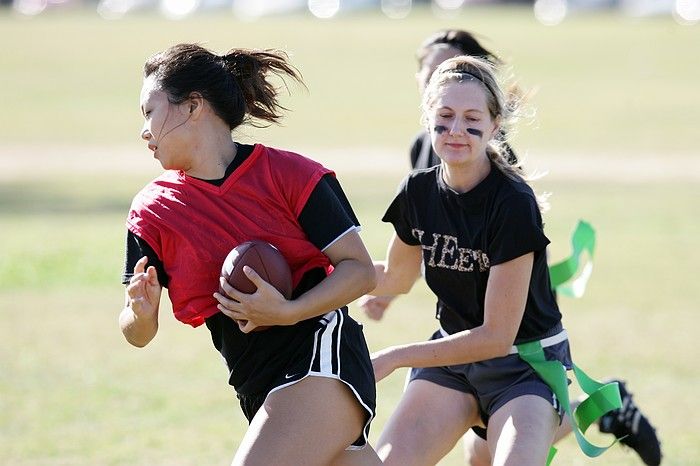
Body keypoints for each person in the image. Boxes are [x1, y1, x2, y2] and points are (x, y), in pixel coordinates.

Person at [361, 29, 661, 466]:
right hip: (452, 358)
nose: (457, 130)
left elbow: (495, 336)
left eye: (472, 119)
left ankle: (593, 410)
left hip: (524, 363)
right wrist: (312, 277)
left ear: (494, 124)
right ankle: (582, 414)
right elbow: (394, 277)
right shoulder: (416, 190)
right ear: (427, 117)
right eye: (445, 116)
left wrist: (393, 358)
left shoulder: (513, 202)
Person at [119, 43, 382, 465]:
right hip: (256, 385)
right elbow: (136, 333)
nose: (144, 131)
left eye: (149, 112)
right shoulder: (152, 211)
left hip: (320, 357)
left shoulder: (292, 174)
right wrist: (141, 313)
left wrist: (290, 311)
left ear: (192, 107)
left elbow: (361, 271)